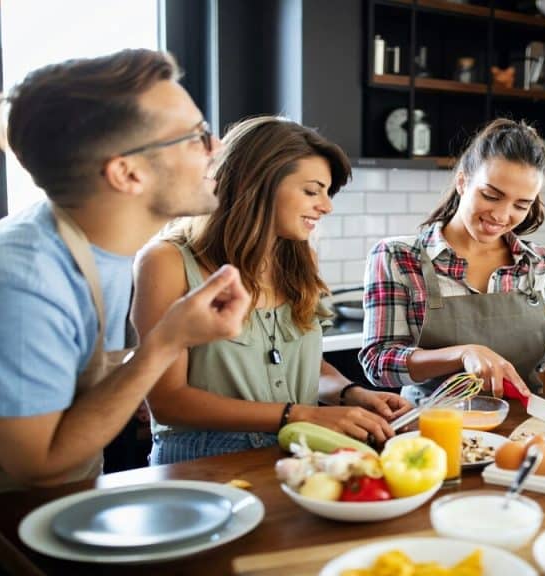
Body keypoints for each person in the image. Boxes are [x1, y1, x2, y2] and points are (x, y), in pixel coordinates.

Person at [0, 49, 250, 500]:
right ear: (126, 173)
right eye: (197, 136)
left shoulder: (106, 251)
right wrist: (168, 341)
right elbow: (39, 465)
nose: (217, 149)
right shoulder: (19, 282)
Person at [133, 116, 412, 465]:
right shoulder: (167, 261)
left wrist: (350, 393)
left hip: (298, 454)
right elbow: (168, 401)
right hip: (200, 464)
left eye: (326, 193)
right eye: (312, 191)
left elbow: (306, 365)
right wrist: (299, 415)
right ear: (257, 183)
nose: (326, 206)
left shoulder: (301, 259)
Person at [359, 119, 545, 417]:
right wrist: (463, 354)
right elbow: (379, 364)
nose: (502, 215)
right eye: (491, 196)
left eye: (521, 205)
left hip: (524, 428)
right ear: (462, 181)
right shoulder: (398, 257)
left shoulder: (541, 264)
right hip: (430, 429)